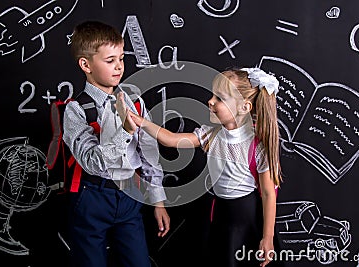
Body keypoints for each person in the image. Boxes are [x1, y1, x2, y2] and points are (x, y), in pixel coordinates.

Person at [118, 68, 282, 267]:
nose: (210, 101)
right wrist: (140, 121)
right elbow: (170, 140)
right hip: (221, 212)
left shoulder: (257, 145)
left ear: (244, 107)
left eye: (219, 98)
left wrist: (268, 236)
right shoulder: (210, 135)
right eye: (212, 95)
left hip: (245, 215)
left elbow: (268, 193)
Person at [63, 20, 170, 267]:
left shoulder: (135, 102)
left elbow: (148, 155)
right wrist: (124, 130)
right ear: (86, 65)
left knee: (139, 262)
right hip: (92, 197)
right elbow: (91, 163)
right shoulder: (77, 110)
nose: (119, 67)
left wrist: (158, 201)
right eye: (110, 60)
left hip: (129, 195)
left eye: (121, 58)